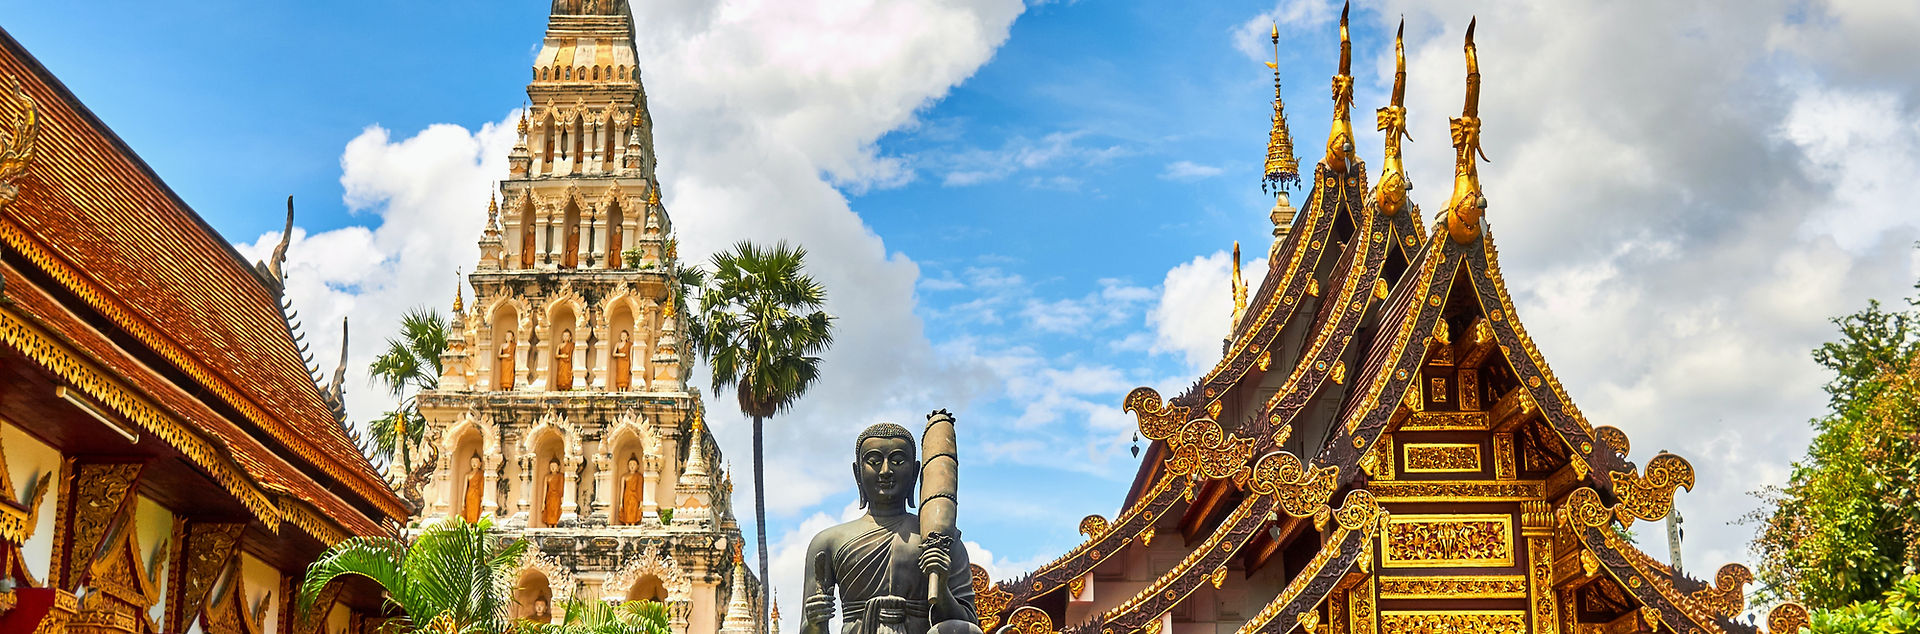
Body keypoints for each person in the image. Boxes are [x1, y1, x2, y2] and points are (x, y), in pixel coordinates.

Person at [800, 424, 980, 634]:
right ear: (858, 472)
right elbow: (807, 629)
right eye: (874, 462)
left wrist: (941, 590)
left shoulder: (940, 539)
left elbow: (967, 625)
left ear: (915, 472)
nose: (886, 471)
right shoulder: (828, 542)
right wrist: (814, 622)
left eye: (897, 461)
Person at [619, 457, 645, 524]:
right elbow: (622, 490)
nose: (632, 466)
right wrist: (621, 502)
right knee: (626, 510)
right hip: (626, 496)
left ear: (638, 466)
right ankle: (626, 523)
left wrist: (641, 502)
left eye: (634, 464)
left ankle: (633, 523)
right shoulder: (624, 476)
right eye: (630, 464)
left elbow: (640, 489)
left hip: (635, 496)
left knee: (633, 510)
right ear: (628, 465)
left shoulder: (639, 476)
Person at [541, 458, 565, 526]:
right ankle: (549, 525)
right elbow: (545, 490)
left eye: (554, 466)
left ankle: (555, 526)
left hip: (557, 497)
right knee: (549, 512)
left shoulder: (561, 476)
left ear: (558, 467)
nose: (553, 468)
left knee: (556, 511)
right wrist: (543, 502)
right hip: (549, 497)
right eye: (551, 466)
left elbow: (562, 488)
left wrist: (562, 499)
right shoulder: (547, 477)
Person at [462, 454, 485, 523]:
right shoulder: (468, 475)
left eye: (476, 462)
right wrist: (462, 501)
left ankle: (475, 525)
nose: (474, 464)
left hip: (477, 495)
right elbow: (465, 488)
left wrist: (483, 498)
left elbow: (482, 486)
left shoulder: (481, 474)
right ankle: (469, 525)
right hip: (469, 496)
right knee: (469, 512)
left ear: (480, 464)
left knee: (476, 511)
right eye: (472, 462)